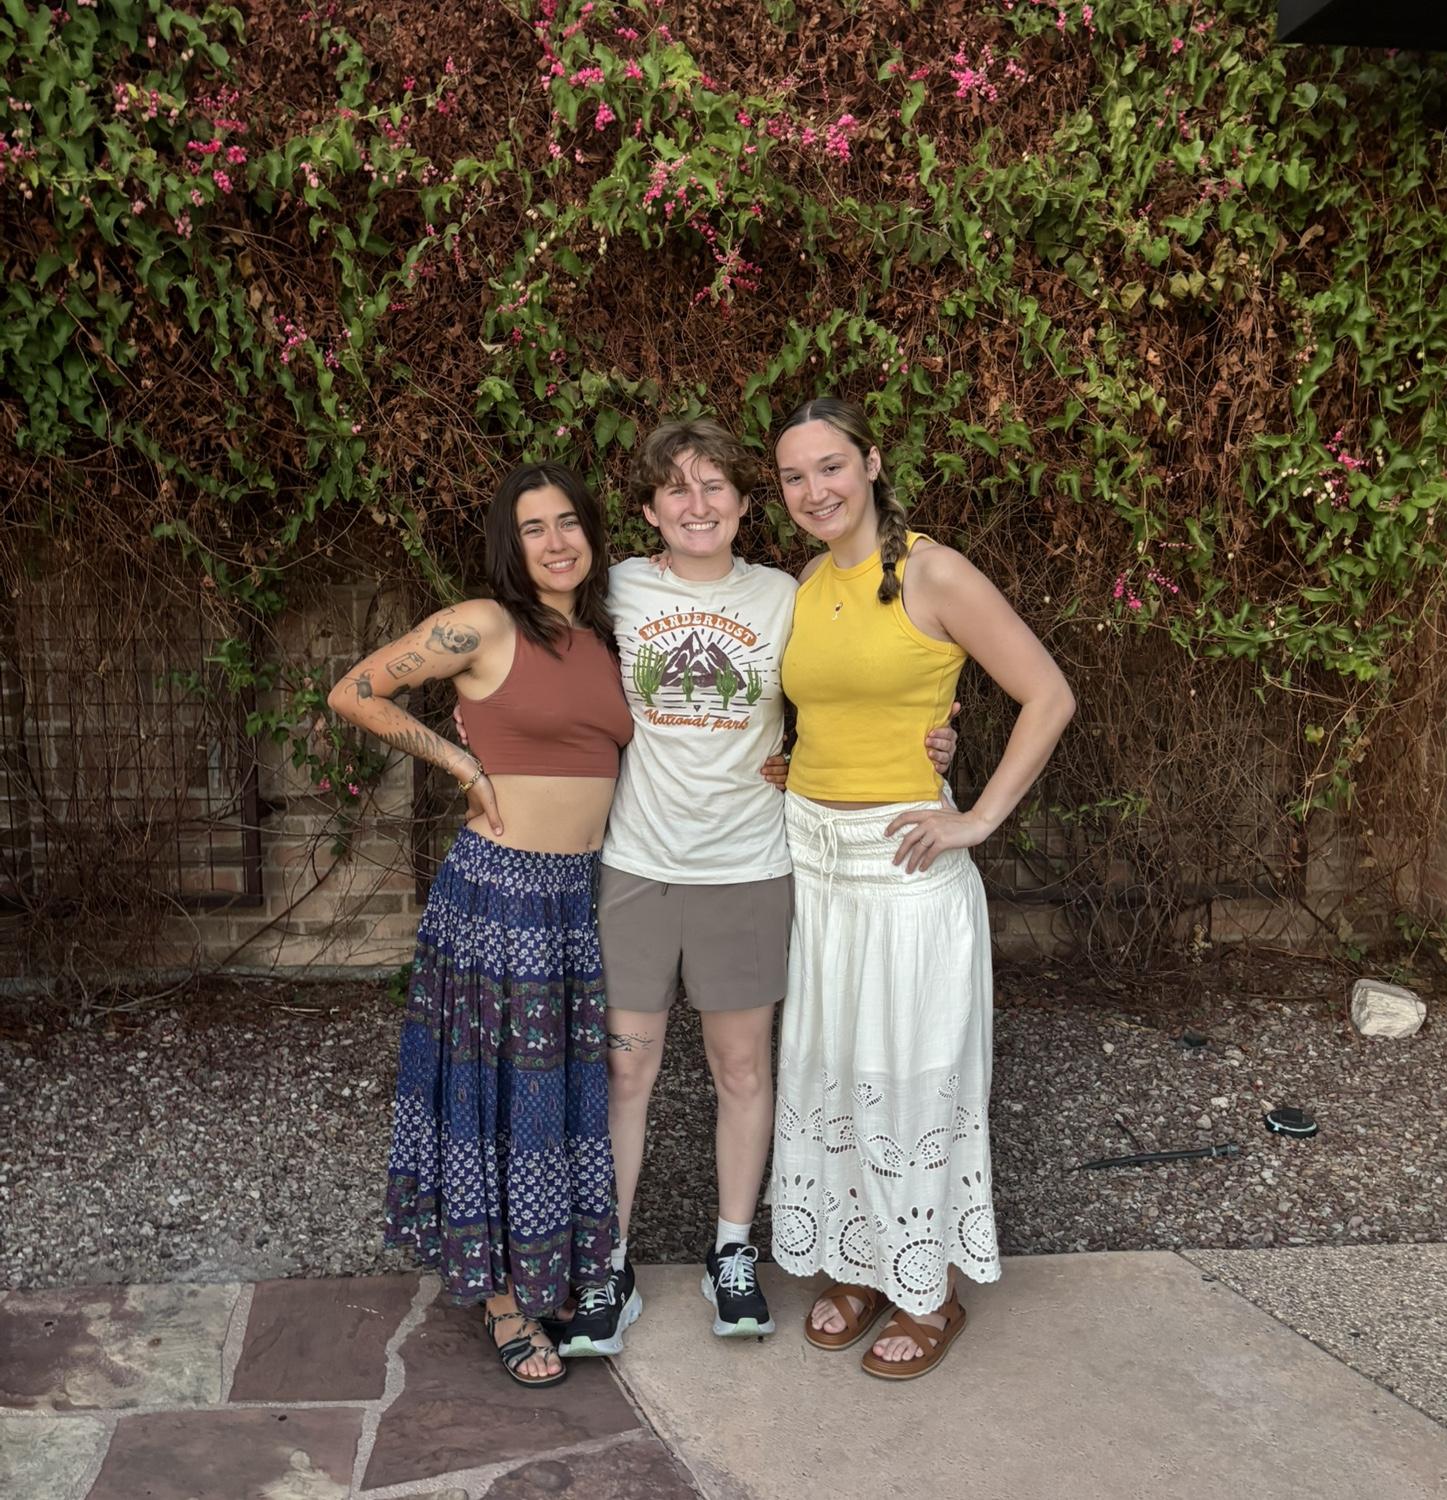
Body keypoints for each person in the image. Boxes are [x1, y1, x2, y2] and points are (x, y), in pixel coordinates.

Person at [523, 418, 957, 1358]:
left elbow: (859, 677)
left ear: (745, 505)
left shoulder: (786, 593)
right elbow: (538, 661)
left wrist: (933, 734)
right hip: (637, 871)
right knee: (627, 1070)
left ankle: (733, 1253)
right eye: (675, 489)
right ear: (646, 513)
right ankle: (609, 1262)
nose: (697, 504)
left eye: (714, 486)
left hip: (750, 871)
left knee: (743, 1070)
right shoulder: (620, 589)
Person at [768, 396, 1075, 1380]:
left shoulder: (933, 570)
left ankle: (924, 1289)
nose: (815, 490)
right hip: (816, 866)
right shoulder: (806, 583)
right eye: (793, 476)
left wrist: (975, 815)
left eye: (830, 466)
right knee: (837, 1072)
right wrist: (792, 766)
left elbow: (1049, 694)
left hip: (905, 869)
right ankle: (858, 1265)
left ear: (871, 460)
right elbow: (829, 710)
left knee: (907, 1075)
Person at [328, 462, 631, 1387]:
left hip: (579, 897)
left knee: (565, 1095)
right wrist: (462, 767)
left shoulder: (609, 641)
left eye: (569, 522)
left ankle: (555, 1267)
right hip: (498, 895)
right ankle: (504, 1300)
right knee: (495, 1096)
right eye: (534, 527)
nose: (556, 541)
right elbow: (355, 692)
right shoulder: (487, 624)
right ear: (512, 543)